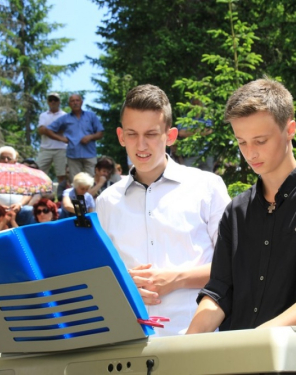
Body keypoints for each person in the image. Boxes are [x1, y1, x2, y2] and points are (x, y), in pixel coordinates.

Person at [186, 78, 296, 335]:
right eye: (241, 142)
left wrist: (258, 340)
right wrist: (187, 345)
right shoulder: (236, 211)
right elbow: (219, 290)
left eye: (260, 141)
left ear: (290, 129)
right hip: (236, 361)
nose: (250, 153)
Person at [95, 84, 231, 337]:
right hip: (127, 342)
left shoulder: (207, 187)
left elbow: (234, 266)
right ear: (121, 136)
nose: (141, 145)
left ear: (170, 136)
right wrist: (122, 282)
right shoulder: (106, 202)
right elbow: (98, 277)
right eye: (132, 134)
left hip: (195, 338)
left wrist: (176, 278)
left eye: (152, 134)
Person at [43, 94, 104, 182]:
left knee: (92, 180)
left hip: (90, 153)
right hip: (73, 155)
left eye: (77, 100)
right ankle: (76, 196)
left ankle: (92, 196)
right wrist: (61, 139)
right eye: (72, 101)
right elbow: (48, 130)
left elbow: (100, 133)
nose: (75, 103)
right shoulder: (65, 118)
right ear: (69, 104)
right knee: (76, 182)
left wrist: (91, 137)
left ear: (81, 102)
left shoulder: (91, 116)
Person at [0, 146, 35, 226]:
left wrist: (19, 204)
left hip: (18, 210)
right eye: (3, 158)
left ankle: (28, 236)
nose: (5, 160)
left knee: (29, 210)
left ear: (14, 161)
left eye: (9, 158)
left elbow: (28, 194)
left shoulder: (22, 175)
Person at [36, 92, 68, 192]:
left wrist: (48, 130)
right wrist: (57, 133)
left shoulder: (64, 115)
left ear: (59, 102)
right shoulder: (43, 115)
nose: (53, 102)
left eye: (55, 99)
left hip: (61, 149)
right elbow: (41, 131)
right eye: (50, 100)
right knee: (37, 172)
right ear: (48, 102)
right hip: (45, 148)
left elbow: (63, 130)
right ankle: (39, 194)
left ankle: (61, 197)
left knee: (62, 175)